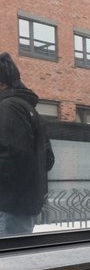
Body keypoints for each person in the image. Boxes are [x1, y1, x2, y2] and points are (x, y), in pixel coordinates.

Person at [0, 52, 54, 235]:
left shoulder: (8, 108)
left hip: (8, 208)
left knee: (9, 261)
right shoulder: (28, 109)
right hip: (20, 207)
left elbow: (13, 156)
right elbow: (48, 159)